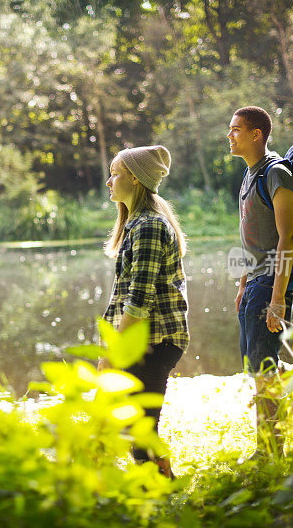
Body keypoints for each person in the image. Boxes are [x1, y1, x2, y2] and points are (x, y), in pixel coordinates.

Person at [101, 145, 189, 478]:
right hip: (145, 339)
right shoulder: (137, 224)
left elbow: (139, 300)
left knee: (138, 428)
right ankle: (161, 479)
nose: (110, 181)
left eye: (116, 173)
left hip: (155, 340)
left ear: (135, 179)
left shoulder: (150, 226)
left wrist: (114, 353)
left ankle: (160, 488)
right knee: (137, 426)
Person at [228, 106, 293, 455]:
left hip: (275, 280)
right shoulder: (249, 175)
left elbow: (287, 236)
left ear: (256, 134)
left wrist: (277, 297)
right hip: (256, 281)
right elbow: (252, 236)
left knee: (263, 368)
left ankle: (269, 451)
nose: (230, 135)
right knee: (260, 363)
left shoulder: (277, 172)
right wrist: (243, 285)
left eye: (236, 130)